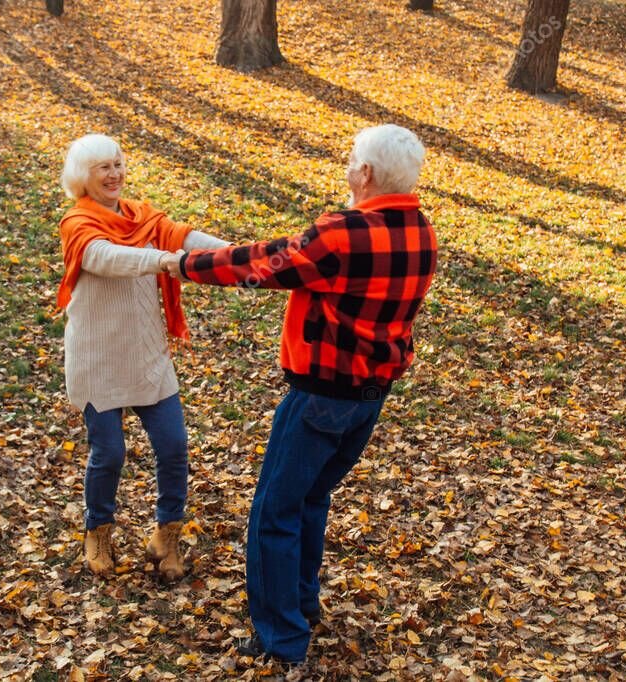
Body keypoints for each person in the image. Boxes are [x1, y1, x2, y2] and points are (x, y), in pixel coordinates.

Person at [165, 124, 437, 663]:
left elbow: (267, 266)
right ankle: (302, 605)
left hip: (320, 397)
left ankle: (281, 640)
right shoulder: (420, 230)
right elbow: (295, 261)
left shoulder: (344, 232)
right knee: (311, 498)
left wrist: (183, 264)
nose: (347, 167)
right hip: (368, 398)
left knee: (273, 514)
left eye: (352, 159)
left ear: (366, 173)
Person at [57, 134, 227, 580]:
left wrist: (235, 253)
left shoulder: (141, 218)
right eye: (102, 168)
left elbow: (186, 237)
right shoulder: (77, 223)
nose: (114, 174)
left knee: (173, 447)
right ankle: (98, 531)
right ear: (83, 177)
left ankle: (166, 537)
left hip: (147, 356)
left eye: (117, 164)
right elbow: (107, 258)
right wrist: (166, 260)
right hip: (99, 360)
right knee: (109, 454)